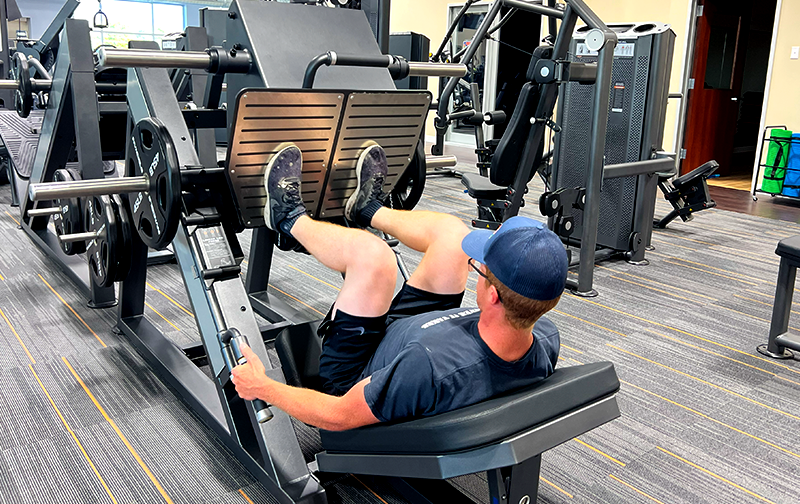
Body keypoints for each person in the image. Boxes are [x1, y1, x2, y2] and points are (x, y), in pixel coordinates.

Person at [231, 142, 568, 431]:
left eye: (480, 269)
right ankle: (368, 209)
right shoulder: (545, 338)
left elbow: (340, 415)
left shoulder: (427, 367)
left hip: (359, 371)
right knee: (453, 237)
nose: (476, 269)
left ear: (493, 295)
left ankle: (288, 219)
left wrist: (264, 387)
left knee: (373, 256)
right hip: (427, 334)